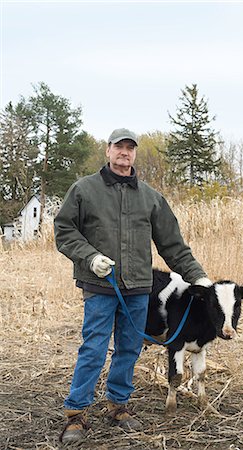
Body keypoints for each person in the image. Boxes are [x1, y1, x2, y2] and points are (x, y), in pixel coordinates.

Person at [54, 128, 211, 444]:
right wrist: (90, 257)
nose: (124, 152)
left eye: (130, 147)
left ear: (134, 153)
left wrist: (198, 275)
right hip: (99, 286)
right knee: (94, 348)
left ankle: (118, 406)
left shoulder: (151, 197)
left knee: (128, 349)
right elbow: (64, 231)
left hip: (139, 288)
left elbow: (173, 245)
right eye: (119, 147)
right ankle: (76, 414)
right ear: (108, 150)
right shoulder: (84, 190)